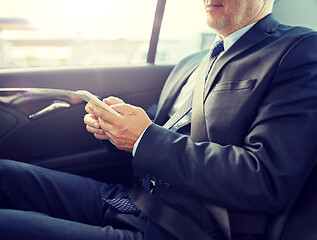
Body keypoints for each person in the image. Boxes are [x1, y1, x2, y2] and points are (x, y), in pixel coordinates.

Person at [0, 0, 317, 239]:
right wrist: (115, 128)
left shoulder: (298, 50)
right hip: (129, 199)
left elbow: (265, 180)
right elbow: (158, 126)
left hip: (180, 229)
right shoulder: (190, 62)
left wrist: (143, 138)